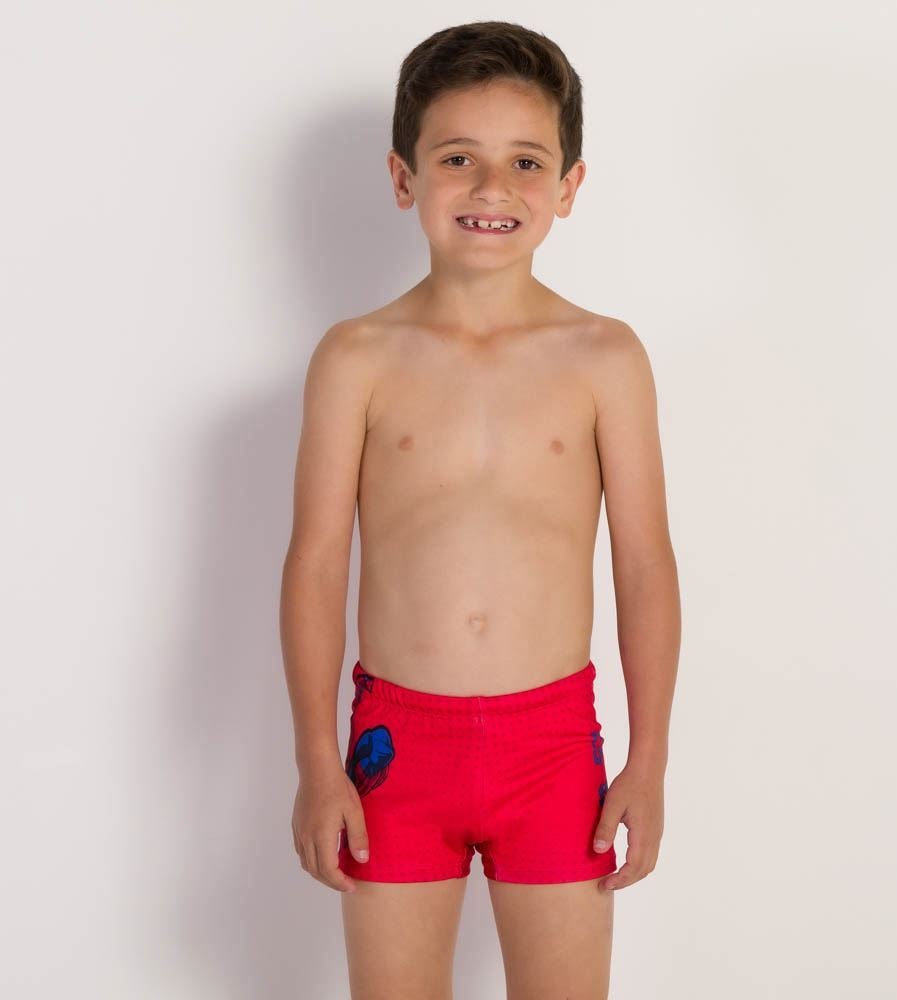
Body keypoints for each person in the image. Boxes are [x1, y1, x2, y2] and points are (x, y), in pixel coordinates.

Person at [279, 19, 681, 999]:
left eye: (525, 162)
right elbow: (317, 562)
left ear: (568, 186)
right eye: (458, 158)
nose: (492, 188)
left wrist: (649, 761)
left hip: (554, 750)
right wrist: (318, 763)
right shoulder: (356, 357)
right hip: (394, 750)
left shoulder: (605, 357)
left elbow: (643, 564)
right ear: (403, 176)